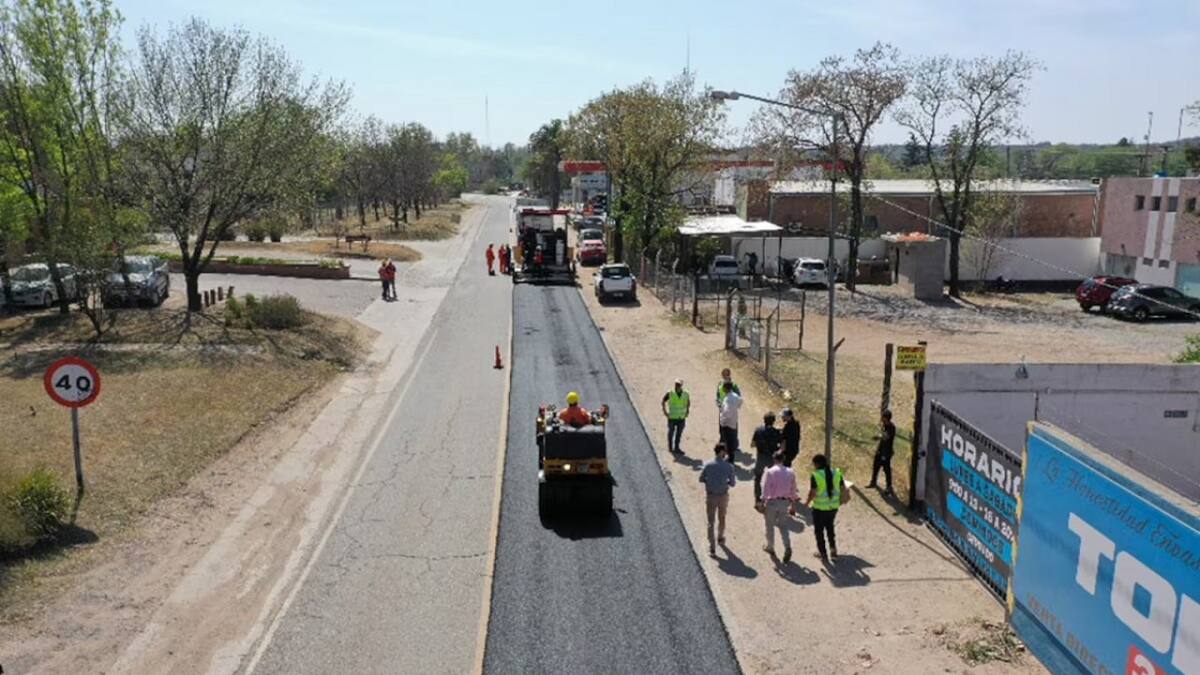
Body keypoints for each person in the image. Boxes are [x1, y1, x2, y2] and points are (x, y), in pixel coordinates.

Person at [805, 454, 846, 562]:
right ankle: (833, 549)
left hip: (819, 508)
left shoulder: (816, 475)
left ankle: (822, 553)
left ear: (817, 464)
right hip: (833, 507)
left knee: (819, 531)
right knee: (830, 528)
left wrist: (807, 502)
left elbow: (813, 492)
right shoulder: (837, 473)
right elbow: (843, 489)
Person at [699, 443, 736, 557]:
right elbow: (733, 483)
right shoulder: (729, 467)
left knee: (711, 522)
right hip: (723, 496)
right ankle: (720, 537)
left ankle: (712, 548)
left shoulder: (708, 465)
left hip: (711, 496)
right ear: (722, 452)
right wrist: (726, 482)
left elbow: (701, 479)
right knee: (722, 518)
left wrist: (710, 482)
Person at [760, 451, 797, 562]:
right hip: (784, 502)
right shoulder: (791, 472)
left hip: (772, 502)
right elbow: (793, 490)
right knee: (783, 526)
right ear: (783, 459)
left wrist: (762, 502)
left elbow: (766, 489)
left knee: (770, 525)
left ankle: (770, 547)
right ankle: (787, 546)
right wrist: (793, 505)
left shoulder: (770, 472)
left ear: (774, 459)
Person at [868, 410, 897, 494]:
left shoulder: (892, 427)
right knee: (876, 465)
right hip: (881, 449)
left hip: (886, 452)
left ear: (886, 418)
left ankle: (889, 486)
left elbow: (886, 437)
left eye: (883, 417)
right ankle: (873, 482)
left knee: (886, 468)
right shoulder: (884, 425)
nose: (881, 418)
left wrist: (878, 437)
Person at [660, 378, 690, 454]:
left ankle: (677, 448)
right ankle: (670, 447)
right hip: (672, 417)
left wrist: (687, 411)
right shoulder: (670, 393)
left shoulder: (686, 394)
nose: (677, 386)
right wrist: (665, 412)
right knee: (671, 432)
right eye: (676, 384)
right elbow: (663, 401)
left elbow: (688, 403)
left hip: (681, 417)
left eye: (679, 385)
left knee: (679, 434)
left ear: (681, 385)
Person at [717, 382, 741, 463]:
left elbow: (727, 413)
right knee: (731, 442)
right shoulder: (735, 396)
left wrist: (722, 421)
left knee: (726, 442)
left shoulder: (727, 399)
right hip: (734, 423)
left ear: (726, 388)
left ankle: (727, 460)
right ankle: (731, 460)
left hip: (727, 424)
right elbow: (740, 402)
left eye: (723, 388)